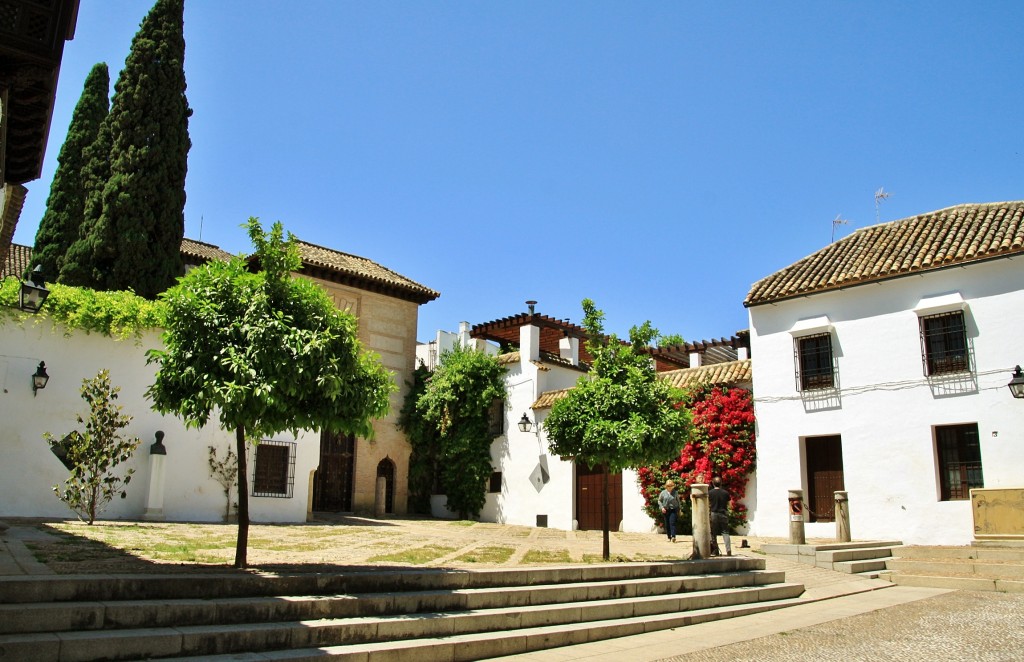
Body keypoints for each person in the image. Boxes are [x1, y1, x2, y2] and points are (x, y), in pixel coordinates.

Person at [708, 476, 732, 556]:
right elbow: (730, 504)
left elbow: (708, 504)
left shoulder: (710, 493)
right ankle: (728, 550)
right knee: (725, 532)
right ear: (721, 483)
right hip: (723, 513)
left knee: (713, 533)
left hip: (714, 513)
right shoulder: (725, 493)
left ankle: (715, 550)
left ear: (713, 483)